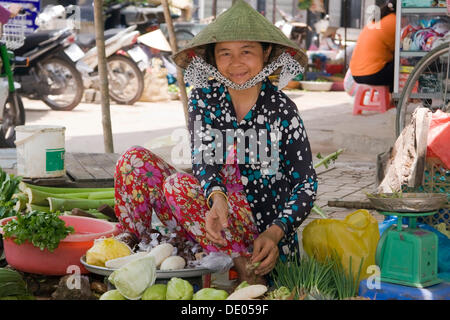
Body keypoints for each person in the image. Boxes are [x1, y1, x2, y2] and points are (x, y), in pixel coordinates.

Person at [114, 0, 317, 284]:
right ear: (212, 58)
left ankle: (246, 266)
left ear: (266, 52)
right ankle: (137, 250)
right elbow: (204, 159)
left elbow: (306, 185)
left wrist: (275, 232)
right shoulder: (204, 99)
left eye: (246, 51)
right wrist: (217, 198)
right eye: (225, 53)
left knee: (177, 185)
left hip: (263, 238)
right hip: (213, 221)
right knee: (133, 160)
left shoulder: (281, 110)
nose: (236, 63)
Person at [349, 0, 396, 92]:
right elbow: (399, 50)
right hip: (372, 74)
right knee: (403, 64)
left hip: (355, 74)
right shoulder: (394, 20)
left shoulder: (379, 19)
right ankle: (395, 98)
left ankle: (391, 98)